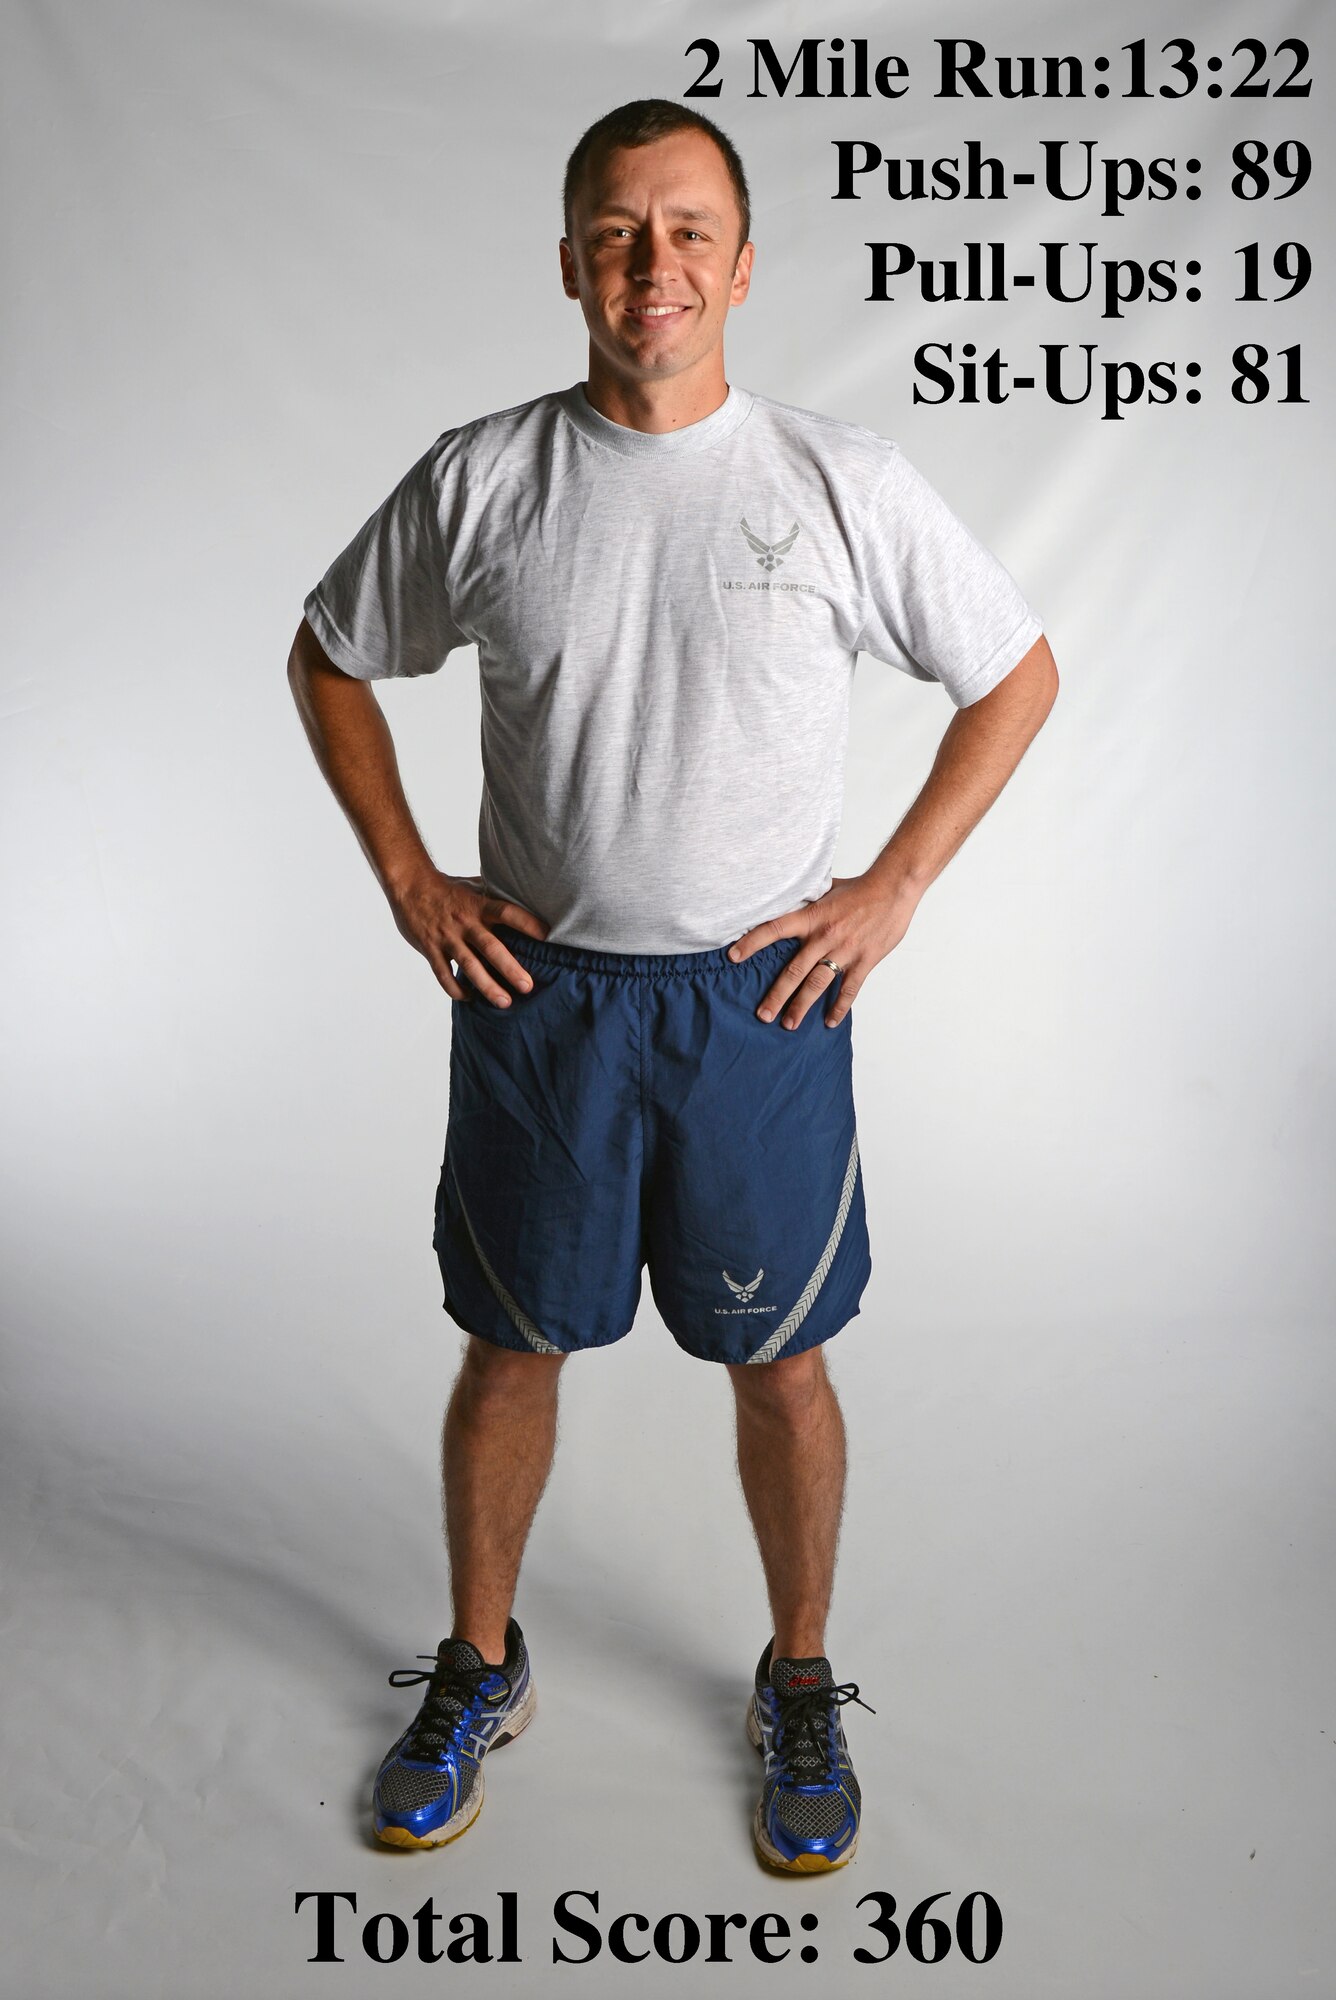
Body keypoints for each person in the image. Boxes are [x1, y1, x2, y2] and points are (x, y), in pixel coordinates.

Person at [288, 97, 1058, 1873]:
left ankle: (798, 1676)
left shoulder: (836, 482)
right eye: (620, 231)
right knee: (512, 1345)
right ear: (569, 261)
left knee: (780, 1364)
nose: (655, 264)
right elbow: (329, 655)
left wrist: (895, 887)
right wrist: (411, 876)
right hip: (543, 1001)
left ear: (742, 263)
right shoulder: (484, 474)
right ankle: (481, 1663)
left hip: (758, 1007)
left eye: (689, 229)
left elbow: (1013, 673)